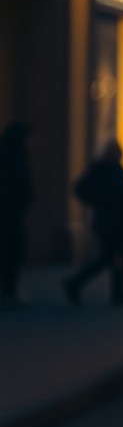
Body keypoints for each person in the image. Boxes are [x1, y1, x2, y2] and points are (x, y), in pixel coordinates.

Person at [64, 141, 123, 306]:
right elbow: (81, 188)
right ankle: (78, 283)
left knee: (111, 257)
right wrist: (101, 199)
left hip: (111, 220)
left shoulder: (106, 169)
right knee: (112, 257)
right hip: (112, 222)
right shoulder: (107, 169)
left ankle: (115, 292)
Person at [0, 121, 34, 309]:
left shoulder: (11, 153)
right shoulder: (14, 155)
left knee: (13, 249)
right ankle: (8, 290)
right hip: (10, 211)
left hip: (12, 210)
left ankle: (9, 289)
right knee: (15, 250)